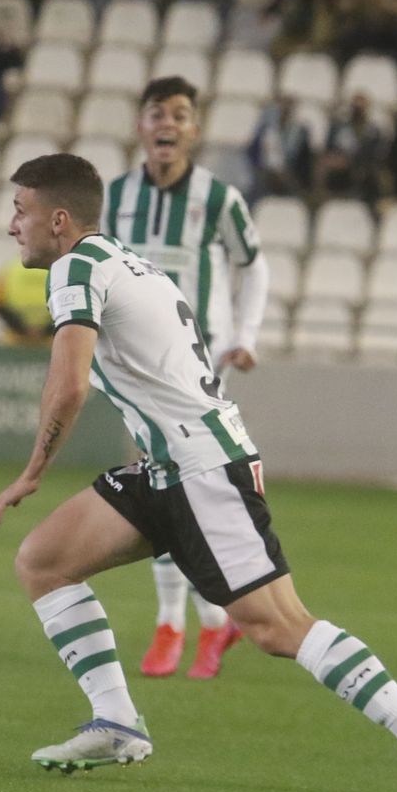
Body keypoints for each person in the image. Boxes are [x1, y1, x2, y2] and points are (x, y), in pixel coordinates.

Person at [0, 152, 397, 792]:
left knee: (276, 626)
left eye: (22, 210)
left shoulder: (76, 267)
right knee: (43, 560)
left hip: (200, 470)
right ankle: (118, 722)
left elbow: (68, 384)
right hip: (170, 467)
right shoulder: (129, 264)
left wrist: (31, 471)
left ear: (60, 219)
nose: (14, 225)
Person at [100, 77, 270, 680]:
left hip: (201, 369)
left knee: (191, 487)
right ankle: (196, 622)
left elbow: (255, 266)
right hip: (138, 369)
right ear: (141, 126)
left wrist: (244, 336)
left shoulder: (218, 199)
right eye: (156, 113)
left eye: (179, 114)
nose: (167, 123)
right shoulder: (115, 197)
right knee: (161, 486)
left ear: (193, 131)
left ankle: (193, 621)